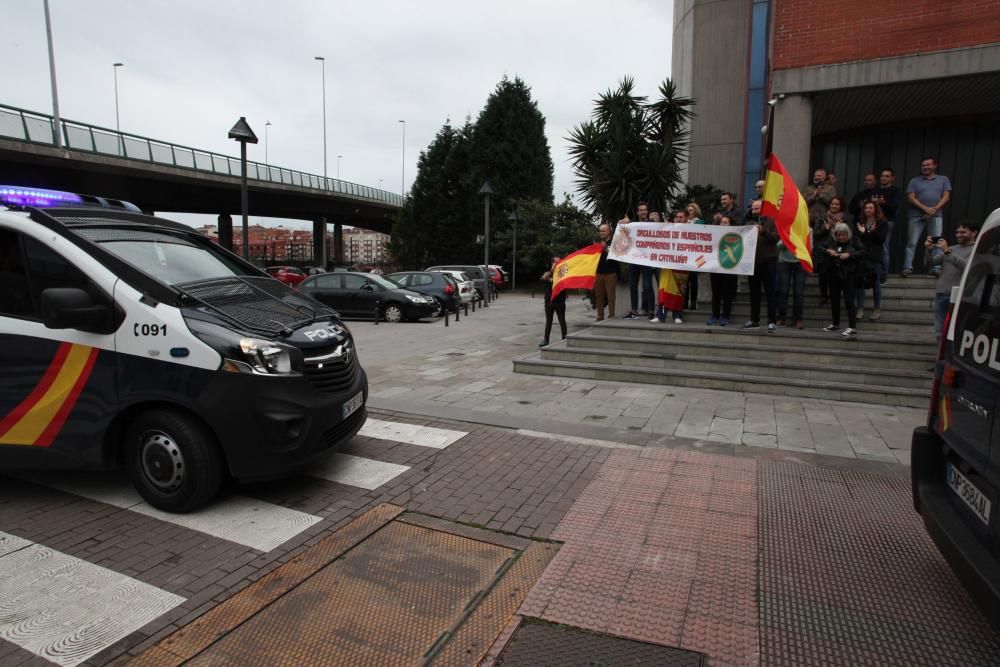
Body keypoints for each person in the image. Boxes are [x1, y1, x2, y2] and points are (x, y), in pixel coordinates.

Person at [926, 221, 979, 337]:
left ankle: (950, 356)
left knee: (955, 334)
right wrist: (929, 250)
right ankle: (941, 355)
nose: (959, 235)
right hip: (942, 293)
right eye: (957, 232)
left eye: (963, 232)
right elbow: (930, 262)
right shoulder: (951, 248)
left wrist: (947, 252)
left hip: (961, 296)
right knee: (939, 332)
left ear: (974, 233)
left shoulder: (977, 250)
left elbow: (967, 267)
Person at [815, 222, 866, 337]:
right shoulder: (832, 243)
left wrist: (849, 254)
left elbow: (863, 252)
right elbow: (818, 247)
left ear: (847, 234)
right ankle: (835, 324)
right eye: (838, 235)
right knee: (834, 300)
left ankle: (852, 327)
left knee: (849, 301)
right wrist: (828, 251)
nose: (841, 237)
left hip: (849, 275)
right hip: (834, 275)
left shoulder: (854, 242)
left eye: (843, 235)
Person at [903, 157, 952, 276]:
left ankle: (935, 267)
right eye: (923, 166)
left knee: (936, 241)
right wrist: (925, 209)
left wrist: (934, 209)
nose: (925, 167)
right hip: (916, 215)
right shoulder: (914, 181)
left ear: (934, 166)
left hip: (936, 215)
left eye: (928, 165)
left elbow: (946, 196)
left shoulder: (943, 179)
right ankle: (907, 267)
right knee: (912, 242)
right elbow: (911, 198)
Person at [741, 211, 779, 333]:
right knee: (754, 292)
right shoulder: (749, 222)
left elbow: (775, 238)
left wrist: (764, 232)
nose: (754, 210)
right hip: (753, 261)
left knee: (770, 292)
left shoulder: (772, 221)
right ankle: (754, 320)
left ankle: (772, 321)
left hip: (769, 261)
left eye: (757, 207)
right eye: (753, 208)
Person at [854, 201, 888, 321]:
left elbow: (880, 239)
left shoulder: (882, 223)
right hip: (862, 256)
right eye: (866, 208)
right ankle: (860, 308)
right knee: (860, 283)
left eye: (870, 208)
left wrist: (868, 233)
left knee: (875, 283)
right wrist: (866, 234)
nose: (868, 210)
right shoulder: (860, 223)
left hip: (875, 256)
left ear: (875, 209)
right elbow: (857, 238)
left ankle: (877, 309)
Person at [622, 202, 655, 319]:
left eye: (645, 210)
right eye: (641, 210)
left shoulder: (653, 224)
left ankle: (651, 311)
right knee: (633, 286)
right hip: (634, 259)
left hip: (646, 260)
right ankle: (634, 311)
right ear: (637, 212)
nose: (643, 212)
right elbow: (623, 234)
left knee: (648, 286)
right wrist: (622, 224)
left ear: (647, 211)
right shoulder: (633, 224)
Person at [814, 196, 847, 306]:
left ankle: (836, 295)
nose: (834, 206)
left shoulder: (845, 218)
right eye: (833, 204)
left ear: (841, 206)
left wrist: (841, 227)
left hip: (839, 249)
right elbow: (815, 234)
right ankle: (823, 296)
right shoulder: (823, 217)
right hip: (824, 249)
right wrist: (825, 229)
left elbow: (849, 235)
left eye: (837, 204)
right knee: (823, 274)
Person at [707, 214, 738, 326]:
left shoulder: (736, 235)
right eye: (721, 222)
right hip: (716, 267)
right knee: (716, 293)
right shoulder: (715, 235)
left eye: (725, 222)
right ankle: (715, 315)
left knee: (727, 294)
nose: (723, 224)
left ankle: (725, 316)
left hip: (730, 268)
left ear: (730, 225)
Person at [874, 167, 902, 286]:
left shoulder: (895, 190)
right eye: (882, 176)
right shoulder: (875, 190)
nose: (884, 178)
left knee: (884, 247)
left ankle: (883, 275)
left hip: (887, 222)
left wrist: (883, 203)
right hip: (873, 221)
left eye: (887, 176)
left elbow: (894, 207)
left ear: (892, 178)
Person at [540, 256, 567, 346]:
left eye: (560, 262)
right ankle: (546, 340)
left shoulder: (563, 274)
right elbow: (543, 279)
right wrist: (552, 271)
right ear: (552, 263)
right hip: (549, 301)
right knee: (549, 321)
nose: (559, 263)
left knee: (562, 320)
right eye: (557, 262)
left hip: (559, 301)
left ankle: (564, 338)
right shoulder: (548, 273)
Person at [593, 222, 618, 321]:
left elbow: (615, 255)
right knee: (599, 296)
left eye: (604, 231)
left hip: (610, 274)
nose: (601, 233)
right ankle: (600, 317)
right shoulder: (598, 243)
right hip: (598, 273)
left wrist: (605, 249)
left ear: (609, 232)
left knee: (610, 296)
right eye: (600, 231)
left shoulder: (614, 242)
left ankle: (611, 316)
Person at [685, 203, 705, 310]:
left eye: (691, 210)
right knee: (685, 280)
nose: (689, 212)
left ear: (695, 211)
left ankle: (693, 302)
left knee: (693, 279)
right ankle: (684, 302)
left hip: (695, 255)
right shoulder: (684, 221)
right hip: (684, 254)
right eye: (688, 210)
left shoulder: (700, 222)